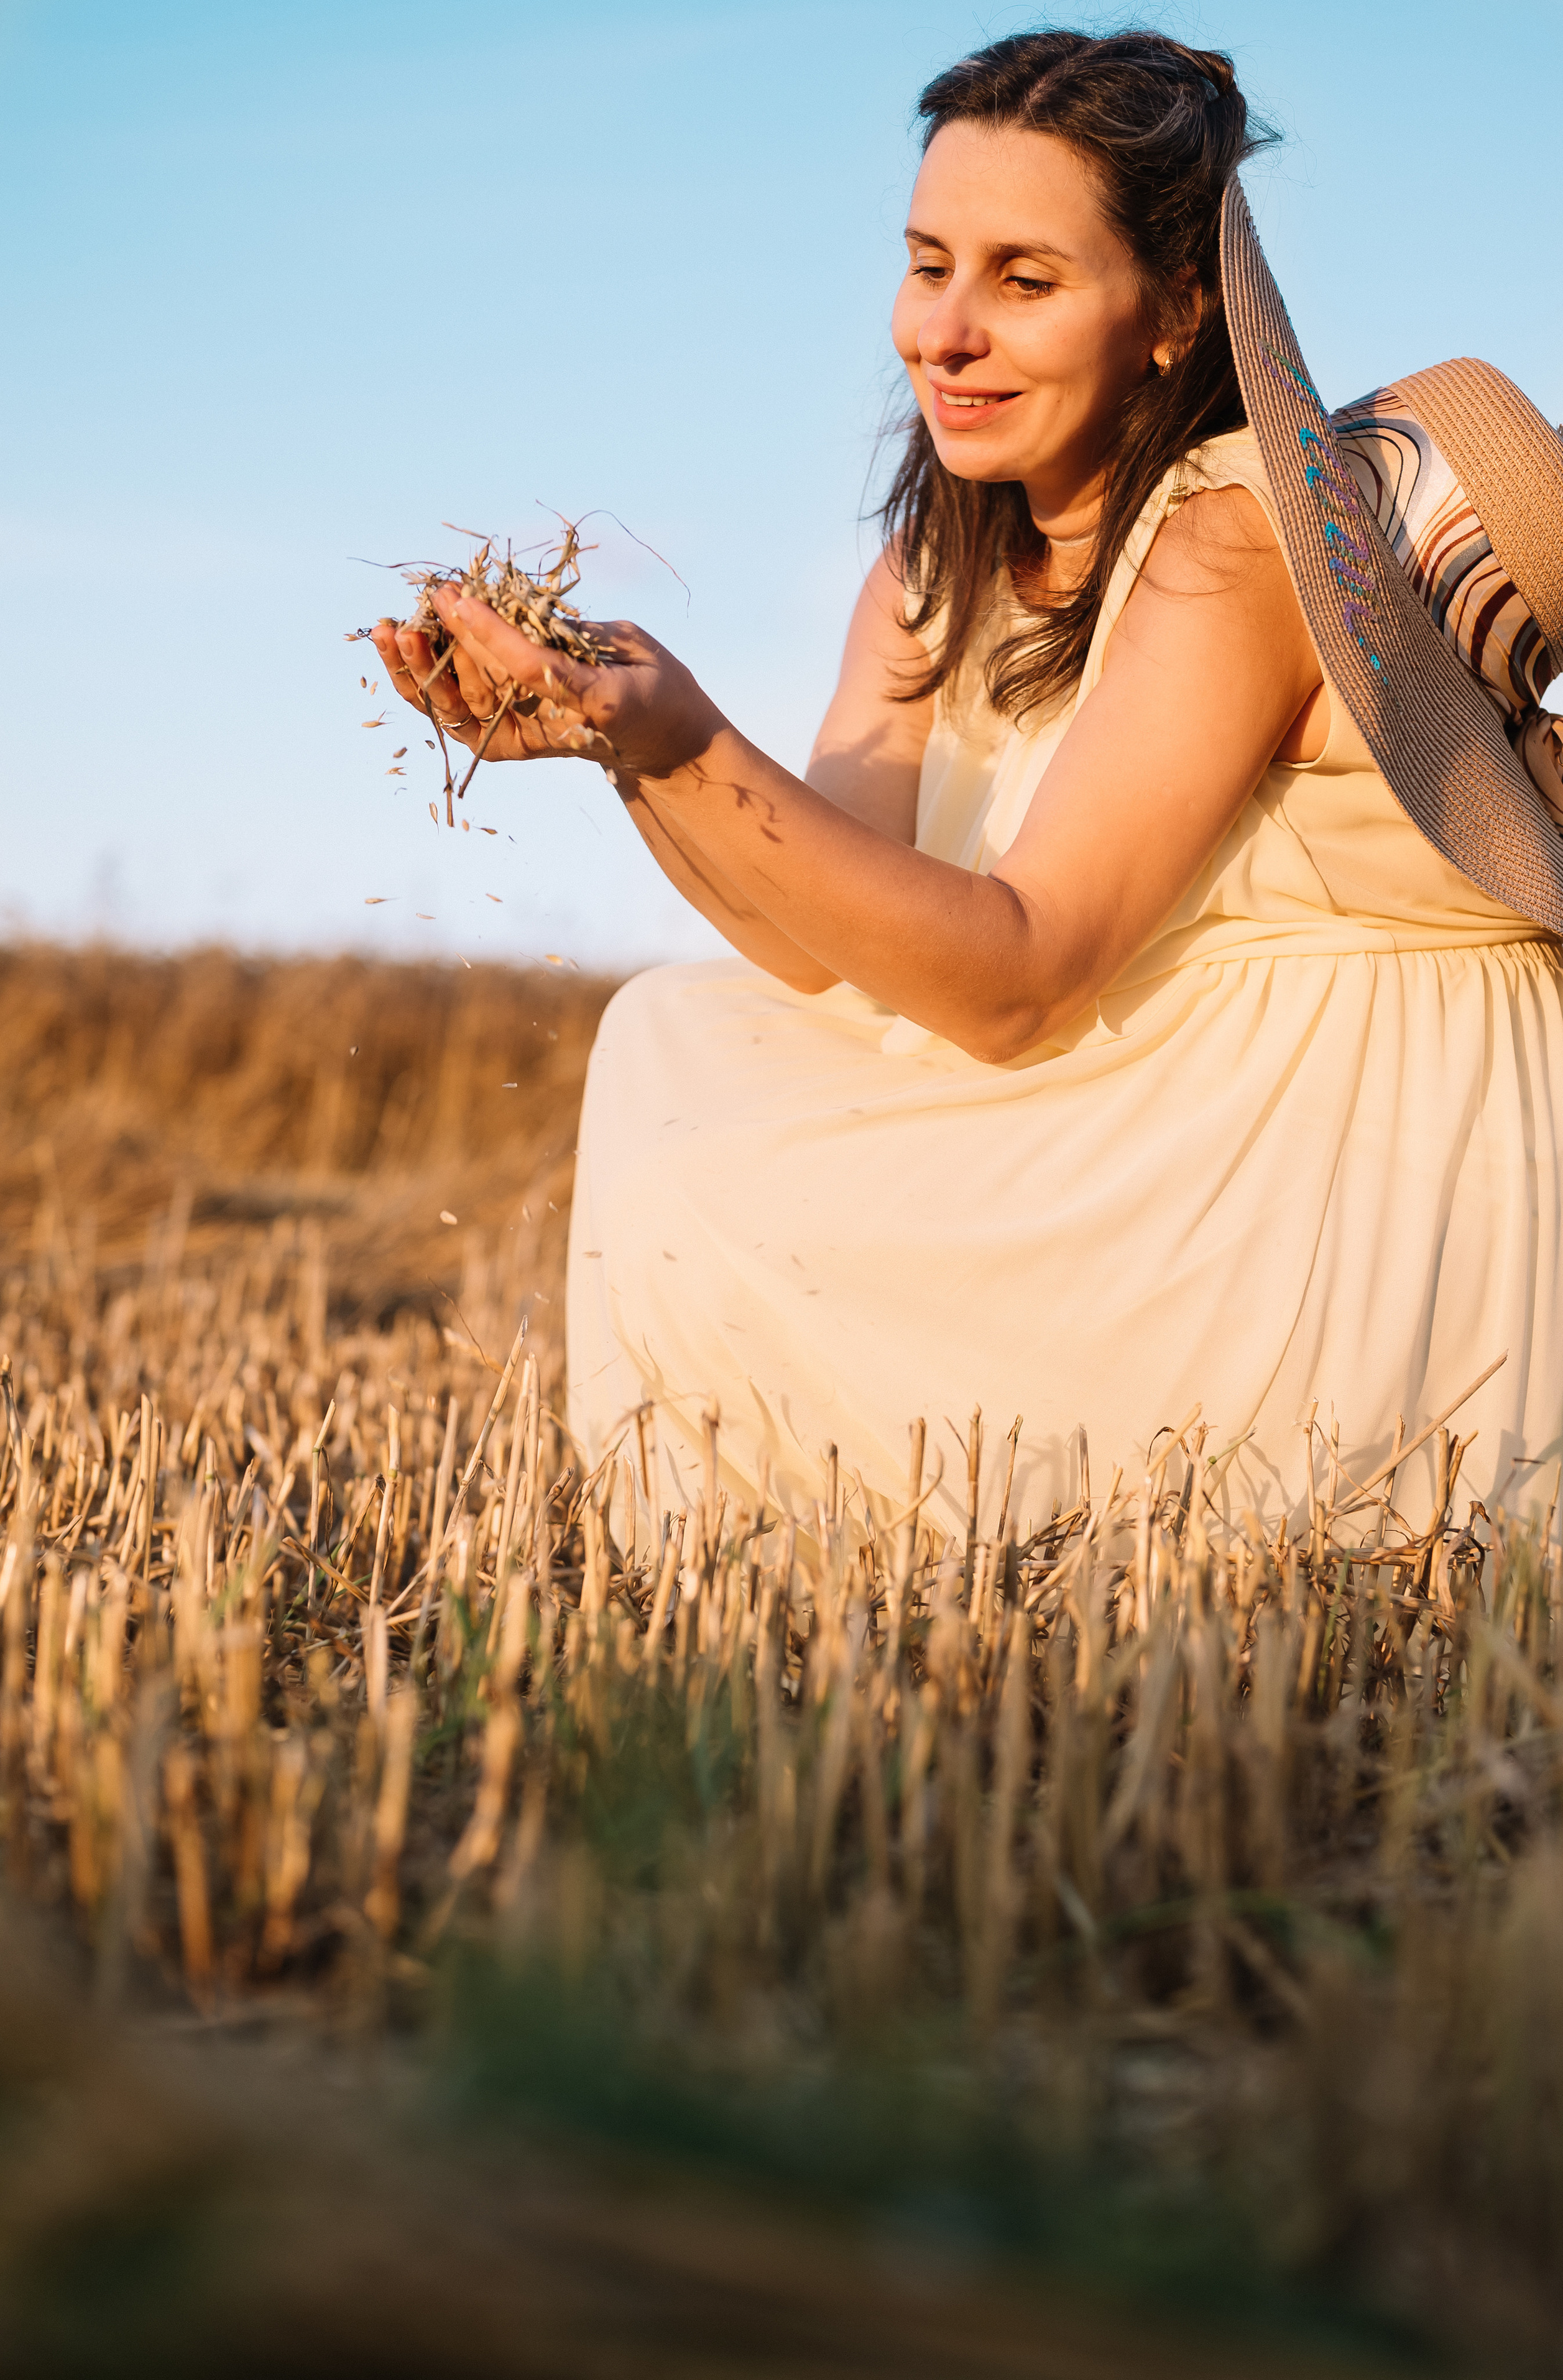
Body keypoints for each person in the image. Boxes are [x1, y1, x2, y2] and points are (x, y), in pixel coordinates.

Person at [371, 29, 1563, 1542]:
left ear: (1173, 314)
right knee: (682, 1031)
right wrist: (619, 743)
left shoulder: (1226, 550)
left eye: (1022, 278)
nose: (943, 330)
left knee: (693, 1078)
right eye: (928, 263)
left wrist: (683, 741)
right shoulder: (939, 567)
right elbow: (818, 939)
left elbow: (1014, 981)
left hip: (1348, 1149)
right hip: (1174, 1093)